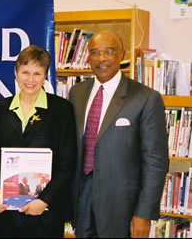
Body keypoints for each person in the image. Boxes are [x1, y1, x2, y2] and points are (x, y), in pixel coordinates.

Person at [69, 31, 168, 238]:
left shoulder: (145, 98)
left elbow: (155, 161)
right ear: (88, 57)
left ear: (121, 55)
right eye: (95, 52)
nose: (102, 58)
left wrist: (144, 213)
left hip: (123, 205)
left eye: (109, 51)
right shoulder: (77, 93)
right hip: (82, 198)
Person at [0, 45, 77, 238]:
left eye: (37, 73)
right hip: (2, 213)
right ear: (15, 72)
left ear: (45, 75)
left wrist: (45, 200)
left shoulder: (62, 110)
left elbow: (68, 162)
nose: (30, 79)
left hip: (44, 214)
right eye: (25, 72)